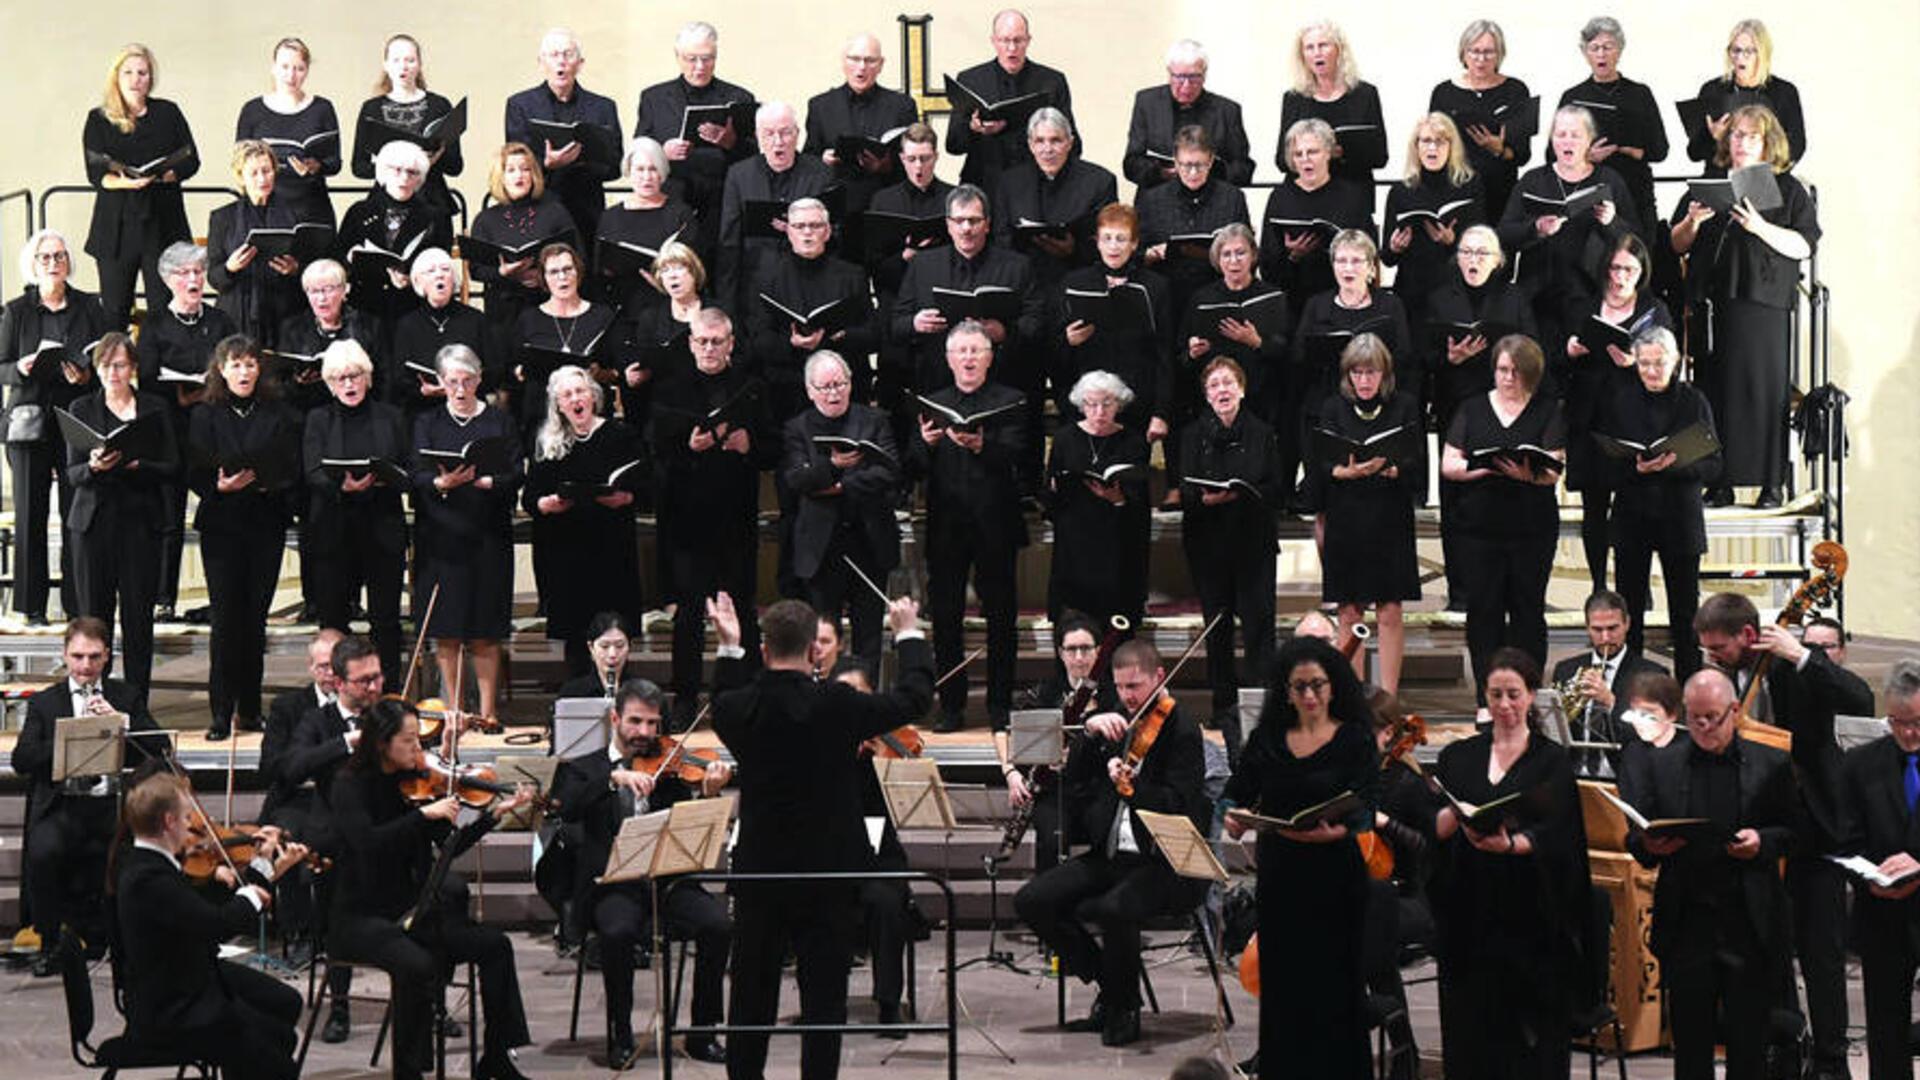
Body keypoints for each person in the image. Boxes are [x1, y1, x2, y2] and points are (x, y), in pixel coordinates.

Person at [711, 590, 934, 1080]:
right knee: (823, 1005)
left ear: (764, 650)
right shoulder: (838, 704)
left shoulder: (739, 707)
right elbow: (916, 697)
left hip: (761, 875)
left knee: (750, 999)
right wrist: (909, 634)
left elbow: (721, 698)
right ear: (817, 650)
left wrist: (729, 647)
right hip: (827, 873)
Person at [1694, 591, 1860, 1078]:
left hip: (1814, 832)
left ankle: (1830, 1061)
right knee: (1766, 953)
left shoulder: (1792, 668)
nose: (1712, 657)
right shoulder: (1722, 678)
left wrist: (1803, 655)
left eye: (1718, 648)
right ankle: (1782, 1049)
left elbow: (1857, 698)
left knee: (1821, 956)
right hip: (1759, 833)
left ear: (1748, 637)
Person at [1015, 639, 1210, 1048]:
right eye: (1120, 688)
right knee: (1032, 900)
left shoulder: (1182, 731)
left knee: (1113, 908)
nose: (1127, 697)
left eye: (1135, 687)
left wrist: (1133, 786)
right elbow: (1075, 782)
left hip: (1165, 863)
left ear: (1159, 678)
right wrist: (1088, 734)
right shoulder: (1115, 722)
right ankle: (1114, 983)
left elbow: (1179, 806)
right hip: (1112, 855)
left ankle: (1122, 1008)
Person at [328, 698, 534, 1080]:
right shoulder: (349, 786)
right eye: (409, 741)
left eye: (418, 741)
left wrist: (492, 817)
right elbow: (367, 843)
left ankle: (497, 1058)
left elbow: (450, 843)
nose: (418, 750)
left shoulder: (415, 784)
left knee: (495, 947)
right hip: (361, 917)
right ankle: (410, 1072)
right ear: (381, 744)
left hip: (412, 909)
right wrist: (422, 816)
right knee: (418, 964)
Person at [1618, 668, 1799, 1080]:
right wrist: (1649, 844)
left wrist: (1761, 841)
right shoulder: (1663, 764)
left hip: (1748, 925)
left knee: (1749, 1047)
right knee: (1691, 1050)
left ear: (1734, 711)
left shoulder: (1770, 763)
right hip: (1688, 925)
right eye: (1695, 718)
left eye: (1713, 718)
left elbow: (1794, 832)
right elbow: (1636, 836)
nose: (1703, 727)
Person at [1427, 648, 1591, 1080]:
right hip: (1470, 913)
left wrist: (1515, 844)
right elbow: (1433, 827)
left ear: (1532, 696)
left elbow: (1563, 834)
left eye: (1514, 694)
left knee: (1529, 1046)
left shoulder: (1551, 760)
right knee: (1472, 1037)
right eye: (1496, 694)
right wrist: (1446, 818)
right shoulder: (1458, 757)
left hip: (1532, 917)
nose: (1504, 705)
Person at [552, 679, 732, 1068]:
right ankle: (621, 1034)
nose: (645, 733)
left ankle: (703, 1032)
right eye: (635, 722)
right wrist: (612, 779)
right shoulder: (585, 768)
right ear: (615, 718)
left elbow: (687, 824)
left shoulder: (670, 765)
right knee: (616, 933)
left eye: (653, 724)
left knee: (718, 924)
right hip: (611, 885)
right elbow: (564, 806)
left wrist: (711, 793)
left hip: (665, 879)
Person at [1223, 635, 1379, 1076]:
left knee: (1335, 986)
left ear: (1334, 687)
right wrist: (1234, 817)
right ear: (1285, 692)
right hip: (1282, 877)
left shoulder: (1354, 739)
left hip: (1335, 878)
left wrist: (1337, 831)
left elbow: (1368, 808)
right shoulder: (1269, 739)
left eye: (1318, 685)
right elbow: (1235, 794)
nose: (1310, 695)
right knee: (1285, 987)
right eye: (1299, 687)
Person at [1672, 104, 1818, 509]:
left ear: (1768, 142)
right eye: (1736, 134)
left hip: (1763, 301)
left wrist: (1760, 227)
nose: (1741, 142)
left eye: (1751, 136)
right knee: (1715, 391)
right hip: (1714, 303)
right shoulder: (1708, 185)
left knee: (1764, 390)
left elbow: (1804, 244)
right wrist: (1692, 224)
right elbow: (1674, 244)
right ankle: (1719, 482)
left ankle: (1771, 482)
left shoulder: (1787, 189)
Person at [114, 772, 306, 1080]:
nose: (192, 825)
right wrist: (255, 888)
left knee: (284, 1006)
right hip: (173, 1006)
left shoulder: (152, 864)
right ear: (168, 822)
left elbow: (201, 909)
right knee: (277, 1051)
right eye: (186, 816)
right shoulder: (148, 879)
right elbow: (216, 925)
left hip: (188, 979)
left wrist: (261, 869)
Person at [11, 617, 161, 976]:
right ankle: (49, 943)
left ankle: (125, 940)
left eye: (94, 657)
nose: (85, 666)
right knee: (44, 849)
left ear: (107, 656)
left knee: (131, 852)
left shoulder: (125, 696)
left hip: (110, 803)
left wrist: (122, 724)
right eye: (77, 657)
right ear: (65, 655)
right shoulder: (47, 703)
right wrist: (68, 740)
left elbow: (160, 749)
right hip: (63, 805)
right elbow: (22, 758)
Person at [652, 308, 774, 726]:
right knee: (688, 613)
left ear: (731, 343)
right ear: (690, 343)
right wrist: (689, 448)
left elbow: (773, 448)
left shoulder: (751, 388)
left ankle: (749, 688)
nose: (709, 348)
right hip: (687, 519)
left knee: (741, 606)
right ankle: (685, 696)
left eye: (717, 341)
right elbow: (657, 455)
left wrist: (747, 445)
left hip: (735, 518)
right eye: (702, 341)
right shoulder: (671, 389)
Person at [908, 321, 1029, 732]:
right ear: (948, 359)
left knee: (1001, 618)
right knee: (946, 619)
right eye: (961, 352)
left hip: (996, 524)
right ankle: (952, 706)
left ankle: (999, 706)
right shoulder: (934, 402)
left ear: (990, 357)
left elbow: (1020, 452)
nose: (969, 358)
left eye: (976, 351)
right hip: (947, 527)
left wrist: (983, 446)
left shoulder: (1011, 400)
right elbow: (913, 466)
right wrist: (926, 445)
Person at [188, 335, 300, 740]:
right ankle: (221, 713)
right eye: (235, 364)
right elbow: (195, 465)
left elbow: (291, 463)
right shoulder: (205, 414)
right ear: (221, 369)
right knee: (226, 620)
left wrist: (271, 483)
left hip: (264, 523)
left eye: (251, 364)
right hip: (221, 525)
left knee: (254, 621)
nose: (244, 371)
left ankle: (250, 710)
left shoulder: (279, 412)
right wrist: (218, 486)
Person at [1439, 335, 1564, 692]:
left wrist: (1529, 474)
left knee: (1528, 611)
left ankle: (1528, 693)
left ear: (1531, 375)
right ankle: (1486, 695)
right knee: (1483, 613)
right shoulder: (1473, 408)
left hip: (1531, 527)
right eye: (1502, 370)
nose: (1508, 378)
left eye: (1516, 372)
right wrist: (1481, 469)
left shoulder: (1547, 409)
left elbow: (1554, 468)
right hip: (1480, 527)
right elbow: (1449, 463)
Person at [1599, 327, 1722, 682]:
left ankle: (1689, 688)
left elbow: (1715, 466)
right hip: (1632, 517)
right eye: (1644, 364)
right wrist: (1634, 466)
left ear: (1676, 362)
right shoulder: (1621, 400)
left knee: (1685, 614)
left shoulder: (1693, 401)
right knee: (1630, 611)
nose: (1652, 371)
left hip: (1679, 517)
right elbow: (1605, 463)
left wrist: (1678, 464)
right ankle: (1630, 689)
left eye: (1659, 363)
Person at [64, 333, 178, 703]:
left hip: (139, 523)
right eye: (105, 365)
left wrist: (137, 463)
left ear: (133, 368)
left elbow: (173, 466)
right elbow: (72, 474)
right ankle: (94, 702)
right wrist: (94, 466)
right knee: (94, 618)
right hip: (93, 524)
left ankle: (136, 703)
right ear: (96, 369)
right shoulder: (81, 408)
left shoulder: (154, 408)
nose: (113, 372)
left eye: (121, 364)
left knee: (137, 619)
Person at [1178, 358, 1282, 757]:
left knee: (1259, 628)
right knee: (1216, 630)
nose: (1221, 390)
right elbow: (1184, 488)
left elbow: (1274, 488)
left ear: (1242, 388)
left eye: (1228, 383)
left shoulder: (1262, 433)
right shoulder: (1192, 435)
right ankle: (1224, 707)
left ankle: (1261, 705)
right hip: (1209, 545)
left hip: (1253, 542)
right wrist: (1204, 497)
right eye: (1214, 385)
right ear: (1206, 395)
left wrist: (1242, 492)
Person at [1306, 336, 1422, 695]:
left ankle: (1387, 697)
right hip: (1347, 516)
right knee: (1349, 612)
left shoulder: (1403, 405)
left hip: (1389, 515)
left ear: (1384, 372)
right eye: (1356, 372)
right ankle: (1353, 696)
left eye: (1371, 372)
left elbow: (1416, 461)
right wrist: (1342, 472)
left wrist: (1395, 471)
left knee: (1389, 610)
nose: (1364, 380)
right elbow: (1321, 463)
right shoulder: (1332, 408)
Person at [410, 344, 520, 725]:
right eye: (452, 382)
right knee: (447, 629)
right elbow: (415, 473)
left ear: (479, 379)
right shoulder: (428, 422)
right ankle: (454, 712)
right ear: (440, 383)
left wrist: (491, 481)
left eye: (467, 381)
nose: (460, 389)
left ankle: (488, 713)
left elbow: (516, 471)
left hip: (487, 533)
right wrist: (442, 481)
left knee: (485, 630)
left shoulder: (499, 421)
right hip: (441, 535)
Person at [1, 229, 103, 625]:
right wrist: (22, 368)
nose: (53, 262)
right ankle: (31, 606)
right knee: (30, 514)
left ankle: (79, 606)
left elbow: (99, 360)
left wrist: (85, 376)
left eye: (59, 255)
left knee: (77, 511)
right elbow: (2, 366)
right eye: (45, 257)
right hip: (29, 419)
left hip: (75, 415)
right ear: (33, 263)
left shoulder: (89, 306)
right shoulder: (17, 310)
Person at [1563, 233, 1672, 590]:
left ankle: (1636, 584)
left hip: (1633, 415)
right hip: (1589, 414)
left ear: (1641, 271)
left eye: (1628, 269)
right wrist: (1571, 349)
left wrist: (1636, 360)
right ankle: (1598, 584)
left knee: (1635, 505)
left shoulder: (1653, 309)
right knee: (1594, 507)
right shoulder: (1585, 304)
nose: (1619, 276)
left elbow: (1669, 362)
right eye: (1613, 268)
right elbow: (1560, 351)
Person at [1498, 105, 1641, 370]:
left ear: (1589, 140)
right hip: (1538, 295)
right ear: (1552, 140)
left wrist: (1612, 222)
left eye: (1575, 135)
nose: (1567, 141)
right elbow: (1504, 233)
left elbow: (1637, 241)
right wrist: (1536, 228)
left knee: (1587, 375)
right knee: (1542, 371)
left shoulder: (1609, 180)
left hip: (1591, 293)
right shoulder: (1533, 180)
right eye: (1561, 134)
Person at [522, 365, 644, 676]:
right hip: (566, 551)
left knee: (614, 632)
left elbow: (646, 486)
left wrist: (626, 497)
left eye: (580, 391)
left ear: (593, 396)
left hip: (611, 549)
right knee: (576, 636)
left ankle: (618, 701)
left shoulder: (621, 435)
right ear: (558, 405)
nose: (575, 399)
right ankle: (581, 701)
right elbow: (530, 497)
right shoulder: (548, 440)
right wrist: (545, 504)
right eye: (567, 395)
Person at [136, 242, 235, 621]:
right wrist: (181, 394)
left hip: (214, 431)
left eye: (198, 272)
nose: (194, 279)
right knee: (168, 518)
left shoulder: (221, 321)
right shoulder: (156, 325)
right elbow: (146, 380)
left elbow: (236, 364)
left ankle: (223, 597)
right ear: (167, 280)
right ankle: (164, 599)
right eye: (184, 273)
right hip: (172, 431)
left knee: (223, 514)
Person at [782, 350, 901, 664]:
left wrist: (839, 486)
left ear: (850, 384)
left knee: (869, 638)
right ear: (810, 390)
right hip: (821, 548)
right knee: (823, 636)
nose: (834, 392)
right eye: (825, 387)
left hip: (869, 540)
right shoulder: (798, 428)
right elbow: (797, 479)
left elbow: (889, 472)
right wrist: (833, 465)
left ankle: (867, 708)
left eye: (840, 384)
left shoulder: (874, 420)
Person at [302, 340, 407, 689]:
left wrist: (385, 478)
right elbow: (313, 471)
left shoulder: (391, 416)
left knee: (385, 621)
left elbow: (406, 467)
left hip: (382, 528)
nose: (349, 384)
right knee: (334, 622)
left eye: (355, 375)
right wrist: (341, 487)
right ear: (329, 384)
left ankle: (389, 696)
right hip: (334, 530)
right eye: (340, 378)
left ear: (369, 378)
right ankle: (339, 697)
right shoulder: (318, 418)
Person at [1837, 661, 1920, 1080]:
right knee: (1886, 1030)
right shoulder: (1861, 764)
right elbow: (1847, 840)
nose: (1908, 733)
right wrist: (1871, 877)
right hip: (1882, 912)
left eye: (1919, 723)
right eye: (1898, 722)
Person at [1288, 230, 1411, 504]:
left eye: (1356, 261)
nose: (1348, 268)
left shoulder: (1389, 305)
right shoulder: (1316, 305)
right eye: (1341, 261)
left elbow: (1403, 355)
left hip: (1374, 410)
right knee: (1323, 498)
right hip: (1324, 404)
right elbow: (1298, 355)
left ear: (1370, 266)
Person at [890, 183, 1044, 399]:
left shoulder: (1017, 266)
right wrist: (916, 323)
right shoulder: (922, 264)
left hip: (1002, 381)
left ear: (987, 224)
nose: (966, 228)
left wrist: (1005, 332)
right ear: (948, 225)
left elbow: (1036, 322)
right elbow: (897, 324)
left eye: (974, 220)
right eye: (959, 220)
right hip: (937, 382)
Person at [83, 43, 199, 330]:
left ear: (151, 77)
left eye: (143, 73)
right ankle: (113, 371)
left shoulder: (168, 113)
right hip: (118, 225)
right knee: (115, 309)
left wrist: (169, 174)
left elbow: (191, 160)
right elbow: (96, 173)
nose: (136, 79)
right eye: (129, 72)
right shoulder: (98, 119)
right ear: (117, 77)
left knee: (163, 306)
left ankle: (158, 373)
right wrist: (123, 182)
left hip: (162, 222)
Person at [1001, 611, 1119, 873]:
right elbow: (1005, 732)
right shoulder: (1043, 694)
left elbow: (1118, 749)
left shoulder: (1114, 695)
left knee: (1106, 829)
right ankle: (1050, 904)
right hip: (1053, 791)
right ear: (1061, 653)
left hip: (1096, 787)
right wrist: (1011, 773)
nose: (1079, 657)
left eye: (1086, 649)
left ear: (1099, 651)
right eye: (1072, 649)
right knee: (1052, 838)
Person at [746, 197, 878, 421]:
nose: (807, 232)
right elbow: (758, 339)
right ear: (788, 232)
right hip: (789, 386)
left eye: (815, 226)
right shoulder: (767, 278)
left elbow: (873, 334)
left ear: (827, 232)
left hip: (844, 386)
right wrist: (791, 343)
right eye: (799, 226)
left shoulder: (852, 275)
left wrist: (839, 336)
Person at [632, 22, 757, 259]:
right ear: (677, 57)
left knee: (722, 271)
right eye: (691, 59)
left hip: (723, 204)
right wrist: (662, 152)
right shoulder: (654, 98)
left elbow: (754, 160)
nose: (700, 67)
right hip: (671, 201)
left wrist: (730, 143)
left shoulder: (739, 97)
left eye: (707, 59)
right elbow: (638, 150)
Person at [1053, 203, 1174, 439]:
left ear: (1134, 243)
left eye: (1121, 239)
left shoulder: (1156, 286)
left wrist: (1161, 413)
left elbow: (1165, 354)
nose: (1113, 246)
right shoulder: (1074, 283)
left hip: (1137, 400)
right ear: (1096, 242)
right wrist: (1068, 340)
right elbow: (1053, 350)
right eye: (1107, 238)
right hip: (1086, 402)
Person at [1044, 371, 1149, 632]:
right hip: (1074, 544)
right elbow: (1048, 496)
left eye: (1107, 403)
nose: (1099, 411)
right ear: (1081, 405)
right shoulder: (1065, 439)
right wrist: (1054, 488)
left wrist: (1118, 498)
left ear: (1119, 405)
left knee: (1116, 632)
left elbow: (1142, 501)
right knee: (1073, 627)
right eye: (1091, 404)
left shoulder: (1133, 441)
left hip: (1117, 545)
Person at [503, 28, 621, 249]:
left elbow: (615, 166)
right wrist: (546, 164)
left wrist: (581, 162)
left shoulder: (603, 107)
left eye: (568, 54)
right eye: (554, 55)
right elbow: (515, 160)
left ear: (580, 63)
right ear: (541, 63)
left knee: (587, 276)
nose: (562, 62)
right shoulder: (521, 105)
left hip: (588, 209)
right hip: (538, 208)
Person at [865, 123, 953, 419]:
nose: (919, 167)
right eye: (912, 159)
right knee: (894, 405)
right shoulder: (883, 201)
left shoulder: (952, 200)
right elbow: (874, 265)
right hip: (896, 311)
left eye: (925, 159)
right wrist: (905, 257)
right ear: (901, 158)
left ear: (936, 157)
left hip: (940, 311)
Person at [467, 143, 579, 369]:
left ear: (534, 174)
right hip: (504, 309)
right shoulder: (485, 219)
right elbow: (476, 270)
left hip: (547, 305)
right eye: (511, 169)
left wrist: (543, 277)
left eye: (526, 169)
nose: (519, 175)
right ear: (501, 176)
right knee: (507, 378)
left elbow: (577, 257)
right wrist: (503, 273)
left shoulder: (555, 211)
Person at [1176, 224, 1286, 452]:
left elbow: (1289, 352)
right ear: (1217, 259)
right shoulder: (1201, 298)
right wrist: (1193, 352)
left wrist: (1256, 342)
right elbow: (1182, 356)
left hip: (1262, 399)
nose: (1234, 261)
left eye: (1241, 253)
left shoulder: (1273, 296)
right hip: (1216, 400)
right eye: (1226, 254)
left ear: (1253, 255)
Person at [716, 101, 834, 312]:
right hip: (756, 286)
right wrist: (726, 304)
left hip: (808, 283)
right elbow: (729, 242)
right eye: (769, 134)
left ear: (798, 134)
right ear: (758, 136)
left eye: (785, 133)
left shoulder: (821, 174)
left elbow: (834, 234)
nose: (778, 142)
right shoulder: (739, 175)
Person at [1557, 17, 1668, 236]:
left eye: (1608, 47)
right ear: (1585, 53)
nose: (1601, 54)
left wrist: (1633, 151)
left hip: (1635, 193)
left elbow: (1661, 150)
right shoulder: (1573, 97)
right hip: (1588, 194)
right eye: (1594, 48)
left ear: (1619, 51)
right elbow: (1552, 155)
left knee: (1639, 259)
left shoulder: (1640, 93)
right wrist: (1585, 156)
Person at [945, 9, 1077, 186]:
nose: (1012, 48)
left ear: (1028, 40)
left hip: (1035, 185)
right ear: (994, 41)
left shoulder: (1051, 81)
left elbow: (1074, 144)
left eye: (1018, 40)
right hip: (983, 182)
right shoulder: (971, 80)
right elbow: (953, 145)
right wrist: (973, 128)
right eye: (1005, 40)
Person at [989, 108, 1117, 289]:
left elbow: (1109, 241)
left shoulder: (1100, 182)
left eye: (1056, 140)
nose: (1047, 149)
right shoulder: (1008, 183)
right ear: (1030, 145)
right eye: (1040, 141)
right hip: (1024, 286)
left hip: (1079, 282)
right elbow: (1001, 240)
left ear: (1070, 143)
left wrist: (1074, 250)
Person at [1257, 119, 1374, 316]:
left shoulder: (1352, 196)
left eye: (1312, 152)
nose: (1305, 160)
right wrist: (1293, 256)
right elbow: (1267, 266)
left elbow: (1369, 251)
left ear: (1328, 153)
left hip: (1342, 298)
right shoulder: (1280, 197)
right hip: (1292, 298)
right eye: (1298, 154)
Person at [1425, 224, 1535, 430]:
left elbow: (1532, 348)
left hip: (1502, 399)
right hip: (1455, 401)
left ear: (1497, 261)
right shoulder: (1439, 298)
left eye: (1482, 252)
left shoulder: (1515, 297)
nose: (1473, 259)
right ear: (1457, 258)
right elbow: (1427, 355)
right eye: (1466, 252)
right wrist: (1450, 358)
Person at [1548, 590, 1669, 778]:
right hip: (1573, 777)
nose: (1605, 638)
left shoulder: (1652, 674)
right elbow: (1553, 734)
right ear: (1587, 628)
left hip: (1624, 778)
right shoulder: (1565, 670)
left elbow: (1655, 735)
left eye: (1612, 628)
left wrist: (1611, 702)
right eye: (1597, 630)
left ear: (1627, 624)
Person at [205, 140, 313, 349]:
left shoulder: (297, 214)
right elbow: (214, 277)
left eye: (267, 170)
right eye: (254, 173)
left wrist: (295, 269)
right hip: (238, 311)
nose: (262, 179)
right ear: (241, 178)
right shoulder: (223, 218)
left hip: (286, 311)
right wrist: (230, 268)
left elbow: (310, 265)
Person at [1136, 125, 1252, 318]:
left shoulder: (1232, 197)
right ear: (1175, 161)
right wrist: (1154, 253)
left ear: (1211, 161)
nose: (1192, 173)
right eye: (1185, 165)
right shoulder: (1152, 200)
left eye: (1200, 165)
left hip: (1219, 297)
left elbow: (1249, 253)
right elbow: (1135, 255)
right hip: (1167, 298)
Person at [337, 140, 453, 332]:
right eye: (396, 170)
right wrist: (349, 257)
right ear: (383, 171)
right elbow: (337, 254)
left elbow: (441, 261)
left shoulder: (435, 216)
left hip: (413, 307)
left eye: (412, 172)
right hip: (365, 306)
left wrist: (415, 278)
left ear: (420, 178)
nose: (404, 178)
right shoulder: (360, 211)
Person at [1382, 113, 1484, 331]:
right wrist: (1395, 247)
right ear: (1416, 146)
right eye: (1426, 141)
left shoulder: (1470, 185)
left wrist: (1452, 242)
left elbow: (1483, 247)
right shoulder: (1401, 191)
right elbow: (1387, 258)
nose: (1432, 148)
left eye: (1440, 141)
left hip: (1455, 288)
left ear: (1451, 146)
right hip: (1412, 289)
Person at [803, 32, 919, 218]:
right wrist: (823, 159)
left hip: (887, 205)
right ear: (843, 62)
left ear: (881, 65)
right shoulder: (820, 106)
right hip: (837, 208)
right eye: (855, 59)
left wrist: (885, 166)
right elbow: (808, 159)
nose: (862, 67)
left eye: (870, 60)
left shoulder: (902, 106)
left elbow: (916, 159)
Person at [1428, 20, 1536, 220]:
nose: (1480, 59)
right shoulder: (1444, 93)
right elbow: (1431, 144)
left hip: (1499, 192)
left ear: (1499, 54)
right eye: (1474, 52)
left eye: (1488, 52)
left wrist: (1500, 150)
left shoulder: (1516, 90)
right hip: (1455, 191)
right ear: (1463, 53)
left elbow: (1523, 155)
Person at [350, 33, 463, 223]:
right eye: (396, 60)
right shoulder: (371, 108)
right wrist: (387, 165)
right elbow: (358, 167)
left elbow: (456, 167)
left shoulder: (440, 105)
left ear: (419, 65)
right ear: (386, 65)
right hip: (385, 203)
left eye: (410, 60)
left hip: (432, 201)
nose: (403, 66)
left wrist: (434, 159)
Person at [234, 37, 342, 230]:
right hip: (265, 205)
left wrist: (314, 166)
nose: (291, 75)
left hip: (311, 206)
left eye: (299, 68)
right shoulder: (252, 110)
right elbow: (240, 161)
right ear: (273, 68)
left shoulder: (322, 108)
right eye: (285, 67)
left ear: (307, 70)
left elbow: (335, 163)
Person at [514, 243, 621, 432]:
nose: (562, 277)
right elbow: (514, 369)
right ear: (544, 279)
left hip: (590, 417)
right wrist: (520, 372)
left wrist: (598, 374)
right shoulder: (528, 318)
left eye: (567, 269)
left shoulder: (603, 316)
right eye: (553, 272)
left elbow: (617, 371)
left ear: (578, 272)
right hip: (542, 418)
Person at [1124, 39, 1253, 190]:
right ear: (1169, 73)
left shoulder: (1227, 111)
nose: (1186, 85)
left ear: (1204, 75)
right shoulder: (1147, 103)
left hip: (1212, 199)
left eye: (1194, 78)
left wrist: (1207, 171)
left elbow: (1244, 169)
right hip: (1157, 197)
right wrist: (1162, 172)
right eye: (1179, 77)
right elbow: (1131, 164)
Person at [596, 138, 702, 315]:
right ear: (628, 171)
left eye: (653, 169)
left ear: (662, 173)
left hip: (668, 308)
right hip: (621, 306)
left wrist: (663, 280)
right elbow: (599, 271)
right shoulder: (610, 217)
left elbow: (695, 269)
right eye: (640, 169)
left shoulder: (680, 213)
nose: (647, 177)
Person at [1277, 20, 1387, 186]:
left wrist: (1342, 154)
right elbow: (1282, 160)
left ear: (1339, 50)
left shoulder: (1365, 94)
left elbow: (1380, 157)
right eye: (1309, 48)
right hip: (1307, 193)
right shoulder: (1294, 99)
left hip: (1353, 190)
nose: (1317, 53)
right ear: (1302, 56)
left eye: (1323, 45)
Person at [1686, 19, 1806, 168]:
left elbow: (1796, 149)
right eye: (1735, 50)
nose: (1740, 57)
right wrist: (1714, 137)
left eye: (1749, 51)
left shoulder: (1783, 92)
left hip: (1767, 178)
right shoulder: (1713, 90)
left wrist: (1760, 148)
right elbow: (1694, 153)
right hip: (1721, 179)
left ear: (1763, 54)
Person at [260, 627, 344, 835]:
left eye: (337, 666)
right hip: (298, 798)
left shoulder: (364, 706)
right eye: (324, 666)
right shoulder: (287, 707)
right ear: (311, 667)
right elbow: (270, 768)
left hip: (347, 801)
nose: (331, 673)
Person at [390, 248, 489, 413]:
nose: (439, 275)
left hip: (469, 408)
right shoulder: (407, 324)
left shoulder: (475, 319)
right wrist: (421, 390)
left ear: (454, 278)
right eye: (430, 271)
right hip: (422, 410)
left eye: (445, 269)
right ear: (418, 282)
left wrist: (464, 386)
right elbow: (399, 378)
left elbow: (493, 370)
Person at [277, 258, 379, 415]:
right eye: (314, 291)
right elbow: (282, 384)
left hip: (361, 412)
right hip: (308, 414)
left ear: (345, 290)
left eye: (328, 289)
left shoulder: (368, 325)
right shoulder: (292, 328)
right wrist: (298, 382)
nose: (321, 298)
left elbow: (383, 379)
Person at [556, 613, 635, 700]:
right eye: (604, 646)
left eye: (619, 646)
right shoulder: (571, 692)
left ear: (629, 647)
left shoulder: (641, 692)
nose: (612, 654)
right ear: (591, 648)